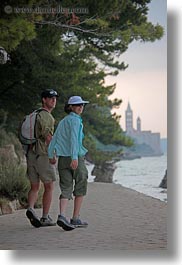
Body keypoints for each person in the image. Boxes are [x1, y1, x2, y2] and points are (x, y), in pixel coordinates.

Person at [48, 96, 89, 231]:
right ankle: (75, 218)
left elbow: (54, 139)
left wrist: (50, 154)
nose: (80, 107)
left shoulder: (63, 121)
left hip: (62, 160)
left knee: (65, 187)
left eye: (82, 105)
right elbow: (73, 140)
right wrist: (74, 157)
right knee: (81, 184)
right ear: (70, 107)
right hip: (74, 157)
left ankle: (62, 215)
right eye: (77, 105)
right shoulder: (75, 121)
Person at [26, 89, 58, 228]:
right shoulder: (47, 116)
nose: (53, 100)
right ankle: (45, 217)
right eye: (50, 98)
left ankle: (31, 208)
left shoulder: (34, 114)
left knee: (34, 186)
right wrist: (52, 154)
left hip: (31, 153)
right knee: (49, 186)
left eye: (55, 98)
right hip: (43, 154)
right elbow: (48, 136)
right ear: (44, 99)